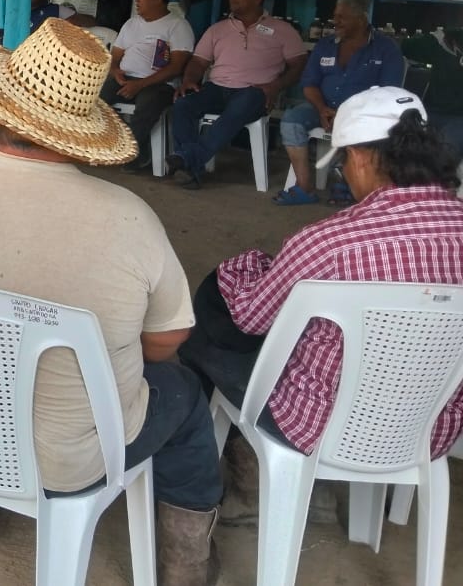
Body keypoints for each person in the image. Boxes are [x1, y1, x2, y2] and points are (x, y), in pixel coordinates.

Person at [0, 17, 222, 586]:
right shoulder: (129, 218)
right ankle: (186, 561)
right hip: (71, 461)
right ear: (78, 133)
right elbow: (166, 341)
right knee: (185, 392)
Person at [178, 88, 463, 516]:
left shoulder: (328, 243)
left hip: (317, 425)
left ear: (364, 156)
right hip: (428, 427)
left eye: (345, 160)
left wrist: (245, 268)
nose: (346, 173)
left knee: (211, 314)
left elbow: (254, 318)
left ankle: (196, 487)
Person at [167, 0, 307, 189]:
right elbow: (198, 62)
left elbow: (299, 65)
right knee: (183, 103)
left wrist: (276, 86)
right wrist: (188, 80)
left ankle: (187, 159)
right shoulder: (218, 29)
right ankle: (190, 164)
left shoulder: (283, 30)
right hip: (216, 88)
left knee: (242, 104)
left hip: (255, 92)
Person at [274, 0, 404, 206]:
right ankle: (304, 187)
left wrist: (347, 115)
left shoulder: (386, 49)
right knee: (290, 121)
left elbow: (388, 93)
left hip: (364, 114)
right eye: (336, 15)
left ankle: (347, 185)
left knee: (364, 131)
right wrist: (322, 108)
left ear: (361, 18)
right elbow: (309, 83)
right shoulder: (326, 45)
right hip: (322, 108)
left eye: (342, 17)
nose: (336, 21)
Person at [100, 0, 194, 171]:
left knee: (147, 103)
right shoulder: (131, 24)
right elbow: (114, 57)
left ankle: (130, 154)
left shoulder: (178, 25)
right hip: (125, 78)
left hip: (159, 84)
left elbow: (176, 67)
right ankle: (96, 147)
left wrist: (140, 84)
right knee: (94, 98)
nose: (137, 0)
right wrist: (115, 71)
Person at [401, 27, 463, 154]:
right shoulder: (448, 40)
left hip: (458, 119)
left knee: (445, 150)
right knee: (408, 145)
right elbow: (407, 47)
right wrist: (438, 38)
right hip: (431, 111)